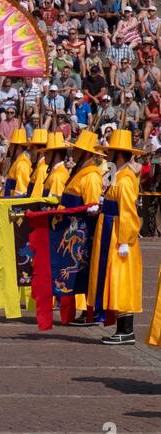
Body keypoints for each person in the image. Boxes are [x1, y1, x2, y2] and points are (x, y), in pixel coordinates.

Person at [88, 130, 143, 344]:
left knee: (122, 280)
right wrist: (100, 205)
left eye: (110, 151)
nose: (107, 155)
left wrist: (125, 240)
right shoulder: (116, 175)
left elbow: (128, 211)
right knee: (114, 279)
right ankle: (122, 328)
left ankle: (126, 329)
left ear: (118, 154)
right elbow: (107, 193)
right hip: (110, 231)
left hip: (119, 235)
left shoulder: (126, 181)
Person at [60, 131, 105, 326]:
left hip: (83, 232)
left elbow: (92, 206)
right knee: (76, 274)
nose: (74, 152)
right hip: (71, 229)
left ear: (86, 153)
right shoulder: (79, 173)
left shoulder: (92, 176)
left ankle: (91, 312)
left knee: (85, 273)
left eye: (78, 150)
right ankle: (83, 311)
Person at [2, 127, 32, 196]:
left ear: (17, 147)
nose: (9, 149)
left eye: (11, 146)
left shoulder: (22, 164)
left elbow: (21, 192)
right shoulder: (17, 162)